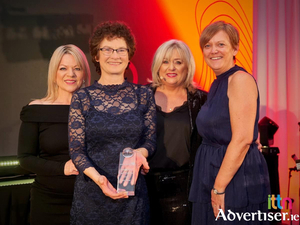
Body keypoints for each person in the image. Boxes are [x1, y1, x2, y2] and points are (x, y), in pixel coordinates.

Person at [68, 21, 156, 225]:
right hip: (91, 193)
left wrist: (138, 154)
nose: (114, 55)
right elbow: (76, 150)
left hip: (132, 195)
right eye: (107, 49)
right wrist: (99, 180)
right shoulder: (82, 98)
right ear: (96, 56)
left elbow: (150, 142)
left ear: (128, 55)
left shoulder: (144, 95)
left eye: (120, 50)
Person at [189, 21, 270, 224]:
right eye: (207, 45)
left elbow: (242, 139)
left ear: (235, 48)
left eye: (221, 45)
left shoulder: (239, 80)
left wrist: (219, 187)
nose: (213, 50)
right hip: (215, 172)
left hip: (234, 178)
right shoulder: (218, 83)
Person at [18, 44, 91, 225]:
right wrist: (62, 168)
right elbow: (25, 158)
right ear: (54, 73)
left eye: (77, 68)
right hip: (48, 202)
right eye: (63, 68)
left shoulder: (95, 110)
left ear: (84, 74)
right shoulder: (36, 110)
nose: (71, 74)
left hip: (91, 200)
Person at [145, 39, 207, 225]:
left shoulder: (202, 100)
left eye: (178, 62)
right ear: (157, 66)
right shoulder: (141, 96)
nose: (171, 67)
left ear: (187, 67)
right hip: (145, 187)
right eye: (165, 61)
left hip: (185, 189)